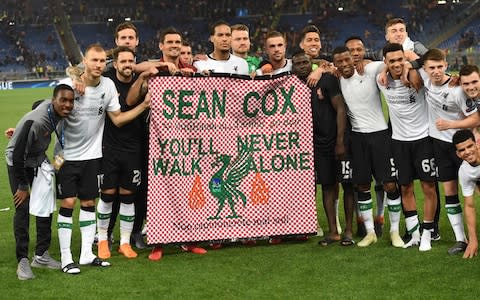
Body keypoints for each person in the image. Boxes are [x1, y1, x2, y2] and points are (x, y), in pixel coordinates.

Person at [56, 44, 150, 274]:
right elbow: (50, 113)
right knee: (68, 203)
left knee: (88, 203)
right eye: (93, 60)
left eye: (101, 61)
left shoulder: (107, 86)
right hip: (67, 155)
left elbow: (117, 118)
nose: (98, 64)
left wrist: (145, 105)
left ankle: (87, 254)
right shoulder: (68, 86)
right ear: (84, 62)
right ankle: (67, 258)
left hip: (93, 156)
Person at [332, 46, 402, 247]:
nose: (344, 64)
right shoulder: (336, 77)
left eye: (347, 59)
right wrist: (322, 67)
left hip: (380, 136)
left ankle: (394, 231)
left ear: (352, 58)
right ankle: (370, 233)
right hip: (358, 139)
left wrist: (384, 67)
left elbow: (394, 63)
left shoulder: (370, 70)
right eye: (340, 61)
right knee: (362, 185)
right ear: (335, 64)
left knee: (389, 184)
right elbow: (321, 64)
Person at [6, 84, 74, 280]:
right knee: (23, 207)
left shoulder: (59, 115)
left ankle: (41, 255)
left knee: (45, 204)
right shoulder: (37, 122)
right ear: (54, 101)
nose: (68, 105)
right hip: (17, 161)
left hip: (38, 158)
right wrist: (22, 186)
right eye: (63, 100)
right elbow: (18, 153)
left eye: (71, 101)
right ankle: (22, 261)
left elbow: (61, 148)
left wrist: (55, 167)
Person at [416, 49, 480, 255]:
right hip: (439, 145)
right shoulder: (424, 79)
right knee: (449, 192)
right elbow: (410, 55)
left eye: (439, 67)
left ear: (445, 65)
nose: (435, 71)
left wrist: (450, 124)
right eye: (431, 68)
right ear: (425, 69)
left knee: (474, 189)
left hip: (462, 146)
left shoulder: (457, 89)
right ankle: (461, 239)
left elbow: (475, 119)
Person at [377, 43, 438, 250]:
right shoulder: (381, 80)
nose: (396, 64)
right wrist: (386, 70)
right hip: (399, 142)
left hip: (423, 139)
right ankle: (414, 235)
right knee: (405, 187)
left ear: (404, 58)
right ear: (384, 63)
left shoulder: (416, 75)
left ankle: (428, 233)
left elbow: (431, 56)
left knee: (428, 186)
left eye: (399, 59)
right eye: (391, 61)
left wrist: (409, 66)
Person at [291, 51, 354, 246]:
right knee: (327, 186)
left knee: (348, 185)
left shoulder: (325, 80)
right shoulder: (293, 85)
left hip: (338, 141)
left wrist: (340, 141)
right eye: (298, 63)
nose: (302, 66)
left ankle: (349, 231)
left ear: (312, 64)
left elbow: (341, 108)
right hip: (318, 145)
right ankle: (333, 231)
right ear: (293, 67)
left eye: (305, 62)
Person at [454, 129, 480, 259]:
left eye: (470, 146)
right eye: (462, 150)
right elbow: (469, 206)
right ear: (458, 154)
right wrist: (473, 239)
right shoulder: (465, 172)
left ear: (477, 144)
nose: (467, 152)